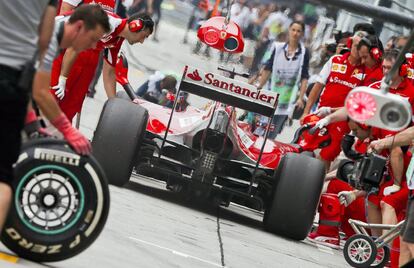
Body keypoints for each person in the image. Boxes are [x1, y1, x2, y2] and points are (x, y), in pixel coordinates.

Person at [0, 3, 109, 233]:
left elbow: (26, 82)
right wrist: (68, 130)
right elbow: (40, 91)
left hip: (11, 83)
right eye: (92, 39)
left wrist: (31, 122)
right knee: (2, 180)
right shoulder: (50, 36)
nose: (93, 46)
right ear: (79, 26)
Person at [51, 11, 154, 122]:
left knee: (72, 105)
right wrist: (62, 79)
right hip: (55, 39)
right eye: (144, 36)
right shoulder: (109, 24)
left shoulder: (117, 39)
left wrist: (114, 105)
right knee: (51, 98)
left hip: (69, 48)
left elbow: (109, 72)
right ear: (135, 25)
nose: (142, 41)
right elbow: (74, 47)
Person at [300, 30, 366, 171]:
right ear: (350, 44)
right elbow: (317, 87)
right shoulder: (335, 60)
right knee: (305, 144)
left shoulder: (366, 71)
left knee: (327, 154)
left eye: (362, 47)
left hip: (343, 120)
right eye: (356, 46)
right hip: (321, 112)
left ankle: (313, 183)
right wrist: (306, 112)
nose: (358, 50)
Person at [250, 21, 310, 139]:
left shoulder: (304, 52)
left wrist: (300, 98)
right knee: (260, 128)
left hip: (286, 100)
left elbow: (304, 76)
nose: (295, 33)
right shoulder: (277, 47)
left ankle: (265, 155)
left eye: (298, 31)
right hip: (270, 95)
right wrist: (259, 87)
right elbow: (268, 68)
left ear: (302, 34)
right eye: (293, 30)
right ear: (289, 30)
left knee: (273, 133)